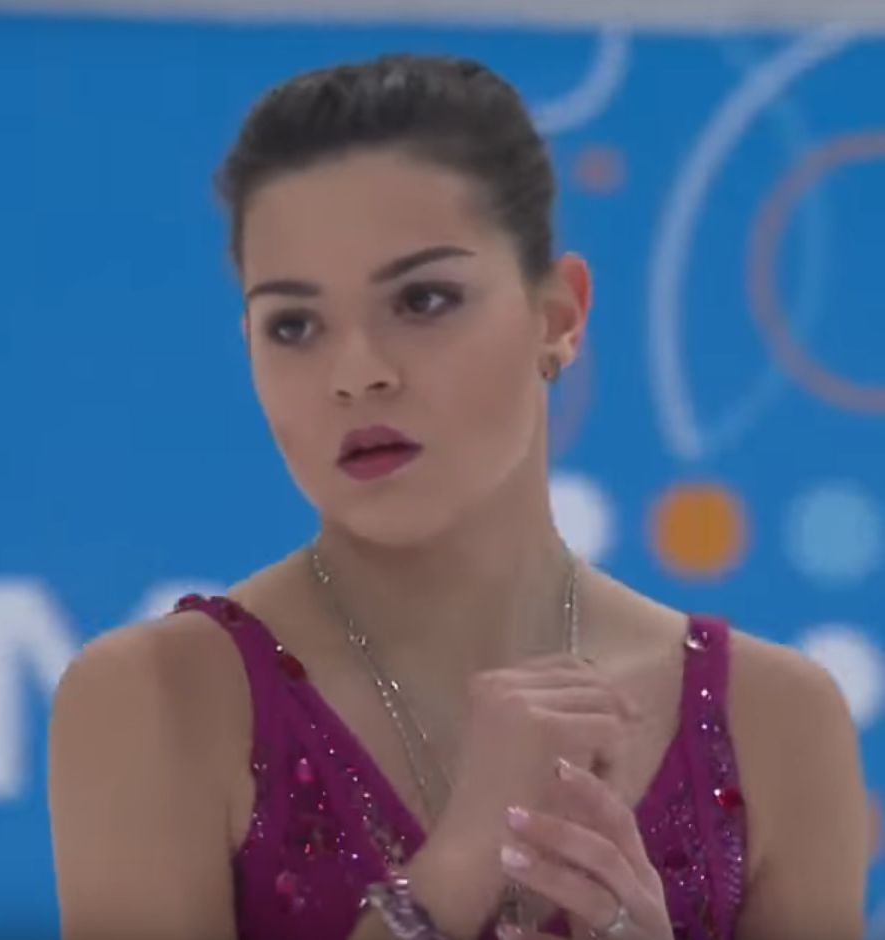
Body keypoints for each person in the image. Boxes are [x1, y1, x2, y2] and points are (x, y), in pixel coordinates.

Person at [47, 53, 869, 940]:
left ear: (558, 317)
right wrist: (454, 870)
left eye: (423, 300)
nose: (356, 373)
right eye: (295, 324)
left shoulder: (775, 722)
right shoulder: (160, 703)